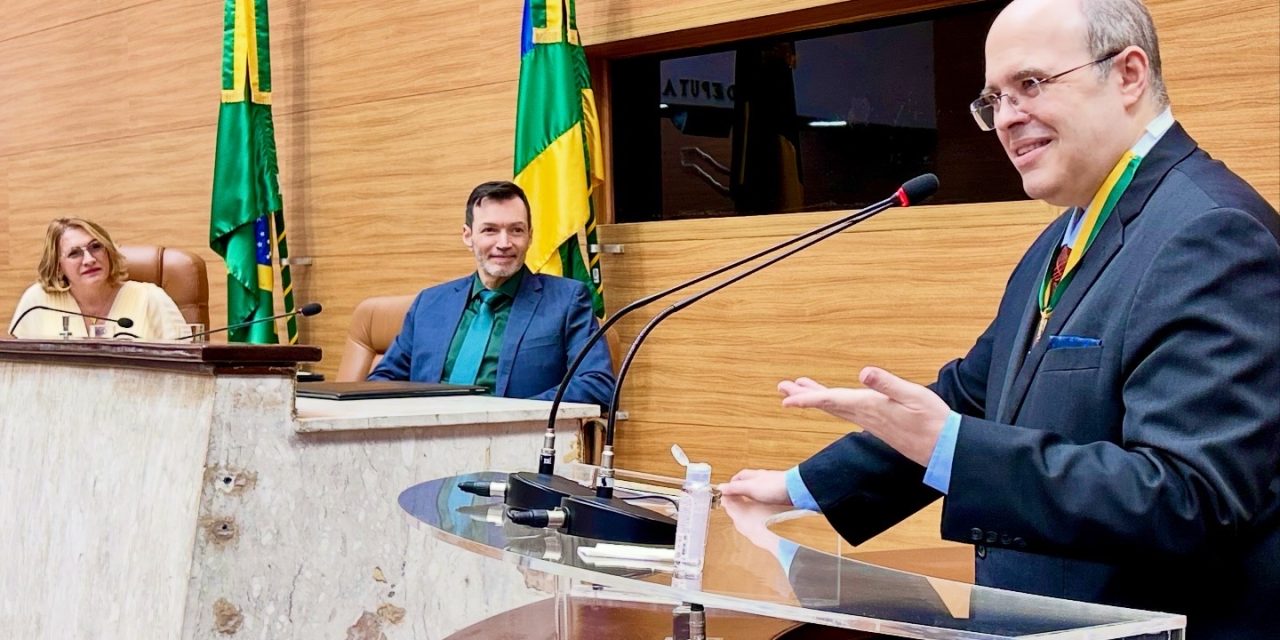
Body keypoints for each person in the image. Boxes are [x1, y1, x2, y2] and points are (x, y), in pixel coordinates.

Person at [719, 1, 1279, 637]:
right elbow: (975, 396)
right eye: (993, 99)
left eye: (1031, 85)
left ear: (1128, 75)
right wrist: (800, 487)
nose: (1007, 117)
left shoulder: (1210, 234)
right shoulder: (1065, 235)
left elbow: (1187, 498)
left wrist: (953, 450)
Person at [369, 181, 615, 405]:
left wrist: (510, 414)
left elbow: (596, 384)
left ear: (530, 236)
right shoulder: (430, 303)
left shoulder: (567, 301)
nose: (504, 243)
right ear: (468, 236)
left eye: (516, 230)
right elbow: (383, 381)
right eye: (490, 230)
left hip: (512, 444)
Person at [9, 218, 188, 341]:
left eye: (96, 247)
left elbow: (188, 368)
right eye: (74, 253)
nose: (89, 259)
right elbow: (20, 374)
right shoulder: (38, 302)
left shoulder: (150, 298)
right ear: (58, 266)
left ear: (108, 252)